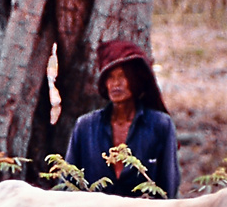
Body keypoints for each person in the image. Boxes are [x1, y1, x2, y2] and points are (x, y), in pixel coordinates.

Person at [63, 39, 181, 198]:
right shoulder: (85, 127)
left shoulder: (160, 125)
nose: (115, 84)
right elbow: (67, 185)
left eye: (123, 76)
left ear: (135, 81)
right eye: (110, 77)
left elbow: (169, 188)